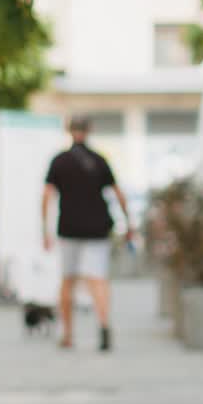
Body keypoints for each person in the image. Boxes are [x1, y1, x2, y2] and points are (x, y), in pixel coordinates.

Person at [42, 116, 134, 351]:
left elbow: (46, 196)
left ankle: (68, 334)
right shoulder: (99, 160)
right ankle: (103, 324)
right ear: (89, 130)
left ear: (69, 131)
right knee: (98, 280)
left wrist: (45, 229)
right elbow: (119, 194)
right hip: (97, 228)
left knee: (68, 280)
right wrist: (128, 222)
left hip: (69, 228)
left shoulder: (59, 161)